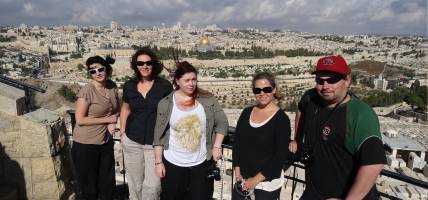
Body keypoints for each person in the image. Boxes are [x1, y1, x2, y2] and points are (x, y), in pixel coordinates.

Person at [291, 56, 386, 199]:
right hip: (313, 193)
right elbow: (300, 108)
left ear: (347, 80)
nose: (325, 86)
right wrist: (297, 139)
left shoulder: (360, 114)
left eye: (332, 80)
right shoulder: (310, 98)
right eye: (320, 81)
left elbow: (373, 164)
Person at [153, 61, 229, 200]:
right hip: (173, 163)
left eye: (194, 79)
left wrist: (217, 145)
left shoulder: (207, 99)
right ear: (177, 81)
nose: (191, 84)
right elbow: (159, 135)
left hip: (201, 162)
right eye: (187, 80)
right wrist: (158, 162)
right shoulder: (165, 104)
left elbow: (222, 122)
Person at [120, 47, 173, 200]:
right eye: (140, 63)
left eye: (148, 62)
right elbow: (125, 109)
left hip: (155, 144)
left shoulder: (164, 86)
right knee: (135, 184)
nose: (144, 66)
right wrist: (123, 133)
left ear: (154, 64)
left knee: (153, 186)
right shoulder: (129, 86)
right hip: (132, 140)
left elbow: (172, 112)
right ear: (135, 66)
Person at [232, 72, 291, 200]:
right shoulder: (246, 113)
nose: (262, 93)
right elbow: (237, 144)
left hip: (266, 186)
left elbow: (280, 156)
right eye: (257, 90)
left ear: (274, 89)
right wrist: (238, 174)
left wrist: (254, 181)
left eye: (267, 89)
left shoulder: (281, 119)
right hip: (242, 182)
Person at [72, 55, 120, 200]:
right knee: (89, 185)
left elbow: (116, 109)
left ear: (107, 69)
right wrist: (108, 119)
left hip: (104, 140)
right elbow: (79, 119)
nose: (97, 73)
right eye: (93, 71)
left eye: (100, 69)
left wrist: (112, 122)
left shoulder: (111, 86)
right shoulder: (87, 91)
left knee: (107, 182)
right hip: (85, 143)